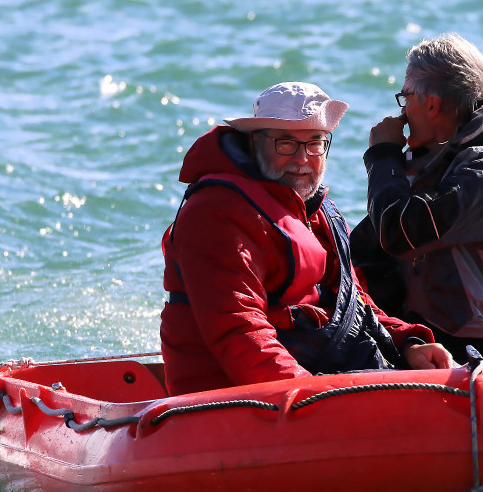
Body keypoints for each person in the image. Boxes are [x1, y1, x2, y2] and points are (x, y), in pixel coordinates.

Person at [161, 82, 452, 396]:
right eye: (286, 143)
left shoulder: (318, 208)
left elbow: (354, 303)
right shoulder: (215, 213)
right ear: (255, 142)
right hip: (231, 398)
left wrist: (407, 342)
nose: (302, 159)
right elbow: (240, 332)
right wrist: (312, 398)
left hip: (314, 375)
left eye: (314, 143)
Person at [351, 33, 483, 367]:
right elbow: (364, 252)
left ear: (431, 104)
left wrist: (383, 156)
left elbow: (399, 233)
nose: (403, 111)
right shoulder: (431, 162)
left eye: (405, 97)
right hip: (425, 343)